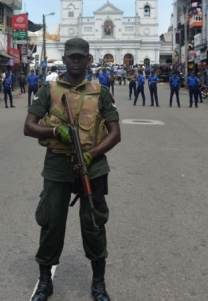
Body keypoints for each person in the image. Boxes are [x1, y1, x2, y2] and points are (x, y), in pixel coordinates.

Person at [24, 38, 121, 301]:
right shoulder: (49, 90)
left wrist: (91, 155)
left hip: (93, 167)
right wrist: (55, 130)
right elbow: (29, 126)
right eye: (72, 57)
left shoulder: (100, 91)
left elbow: (115, 133)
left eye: (81, 57)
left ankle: (98, 284)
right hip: (57, 167)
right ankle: (45, 282)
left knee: (94, 223)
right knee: (51, 223)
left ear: (89, 60)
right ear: (64, 59)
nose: (76, 61)